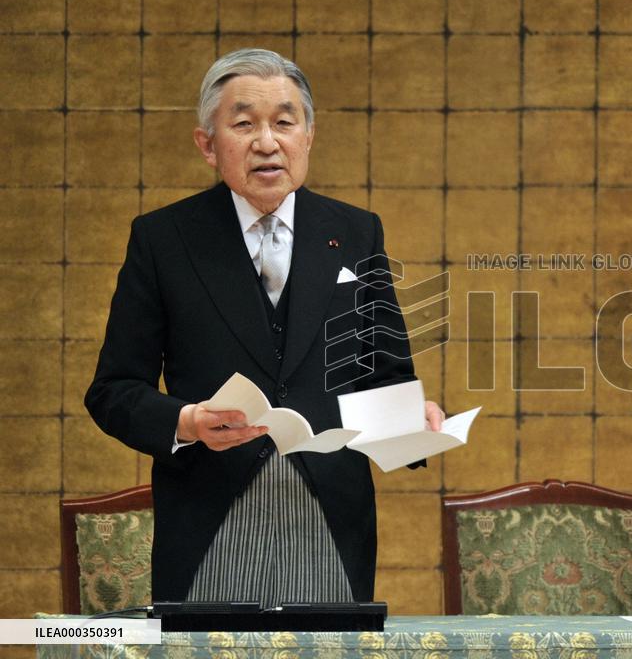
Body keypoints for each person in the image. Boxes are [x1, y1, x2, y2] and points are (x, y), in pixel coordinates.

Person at [85, 48, 443, 606]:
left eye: (283, 121)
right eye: (244, 123)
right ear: (208, 144)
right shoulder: (162, 241)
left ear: (308, 136)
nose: (267, 141)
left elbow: (384, 374)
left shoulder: (356, 233)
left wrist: (411, 418)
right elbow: (112, 392)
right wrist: (186, 421)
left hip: (330, 522)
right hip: (209, 520)